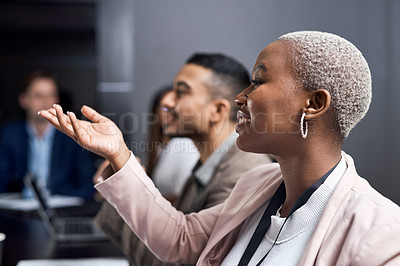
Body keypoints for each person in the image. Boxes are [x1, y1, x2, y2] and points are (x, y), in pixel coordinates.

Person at [40, 31, 400, 265]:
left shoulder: (383, 234)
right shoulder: (257, 184)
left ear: (313, 104)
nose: (239, 98)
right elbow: (180, 240)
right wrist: (119, 153)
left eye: (257, 82)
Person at [92, 53, 271, 265]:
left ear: (218, 110)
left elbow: (172, 259)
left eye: (181, 92)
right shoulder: (208, 166)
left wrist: (122, 189)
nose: (166, 101)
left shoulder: (244, 175)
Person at [0, 70, 95, 200]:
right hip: (22, 207)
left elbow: (88, 184)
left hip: (64, 207)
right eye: (38, 95)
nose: (45, 101)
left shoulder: (73, 135)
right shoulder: (10, 135)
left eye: (51, 95)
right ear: (24, 100)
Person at [147, 87, 199, 203]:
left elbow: (183, 197)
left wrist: (144, 200)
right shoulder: (159, 147)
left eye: (175, 107)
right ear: (156, 112)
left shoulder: (184, 145)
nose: (171, 113)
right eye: (165, 108)